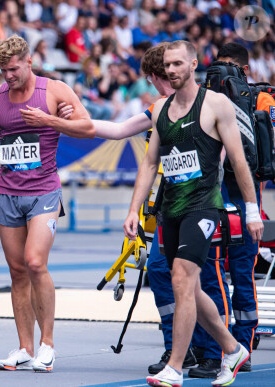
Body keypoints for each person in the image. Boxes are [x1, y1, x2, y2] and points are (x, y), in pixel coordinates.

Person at [123, 40, 262, 387]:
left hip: (203, 207)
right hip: (170, 208)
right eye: (167, 65)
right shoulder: (158, 110)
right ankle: (231, 348)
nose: (171, 70)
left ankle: (175, 365)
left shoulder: (217, 105)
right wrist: (133, 209)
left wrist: (251, 210)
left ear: (193, 64)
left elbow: (240, 161)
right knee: (187, 285)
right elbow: (151, 163)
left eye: (178, 64)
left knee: (183, 279)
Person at [59, 42, 200, 373]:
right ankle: (182, 349)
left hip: (197, 201)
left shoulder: (199, 103)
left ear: (154, 75)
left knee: (194, 278)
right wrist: (72, 118)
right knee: (167, 273)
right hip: (169, 204)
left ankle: (210, 349)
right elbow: (119, 131)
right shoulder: (159, 109)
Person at [0, 35, 95, 372]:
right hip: (9, 193)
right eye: (3, 70)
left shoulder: (55, 91)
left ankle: (47, 344)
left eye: (13, 69)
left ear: (29, 62)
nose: (8, 76)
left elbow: (88, 127)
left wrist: (50, 120)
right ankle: (24, 346)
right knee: (17, 272)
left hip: (44, 192)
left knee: (35, 263)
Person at [187, 42, 275, 379]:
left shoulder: (212, 101)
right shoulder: (261, 99)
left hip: (232, 200)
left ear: (243, 70)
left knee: (223, 272)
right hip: (238, 201)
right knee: (226, 273)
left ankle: (227, 349)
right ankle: (234, 348)